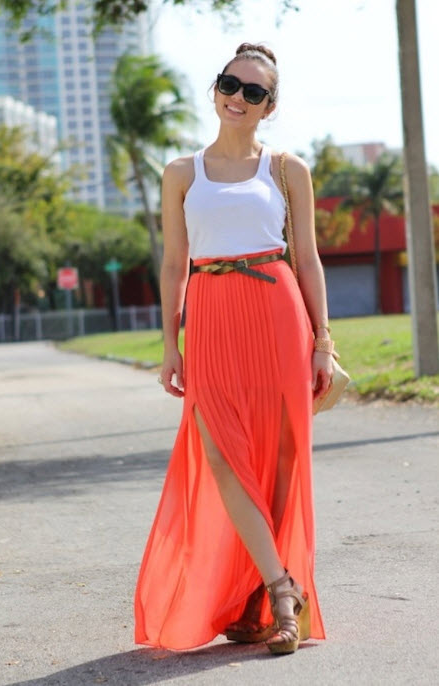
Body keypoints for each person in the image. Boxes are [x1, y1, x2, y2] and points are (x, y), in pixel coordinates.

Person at [134, 42, 332, 655]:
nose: (237, 98)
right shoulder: (180, 172)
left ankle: (264, 594)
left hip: (277, 313)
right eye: (230, 84)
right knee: (222, 457)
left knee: (278, 462)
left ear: (270, 106)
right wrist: (170, 343)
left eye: (254, 91)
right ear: (215, 88)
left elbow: (307, 260)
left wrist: (323, 341)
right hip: (212, 318)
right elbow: (174, 264)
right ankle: (282, 588)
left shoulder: (287, 169)